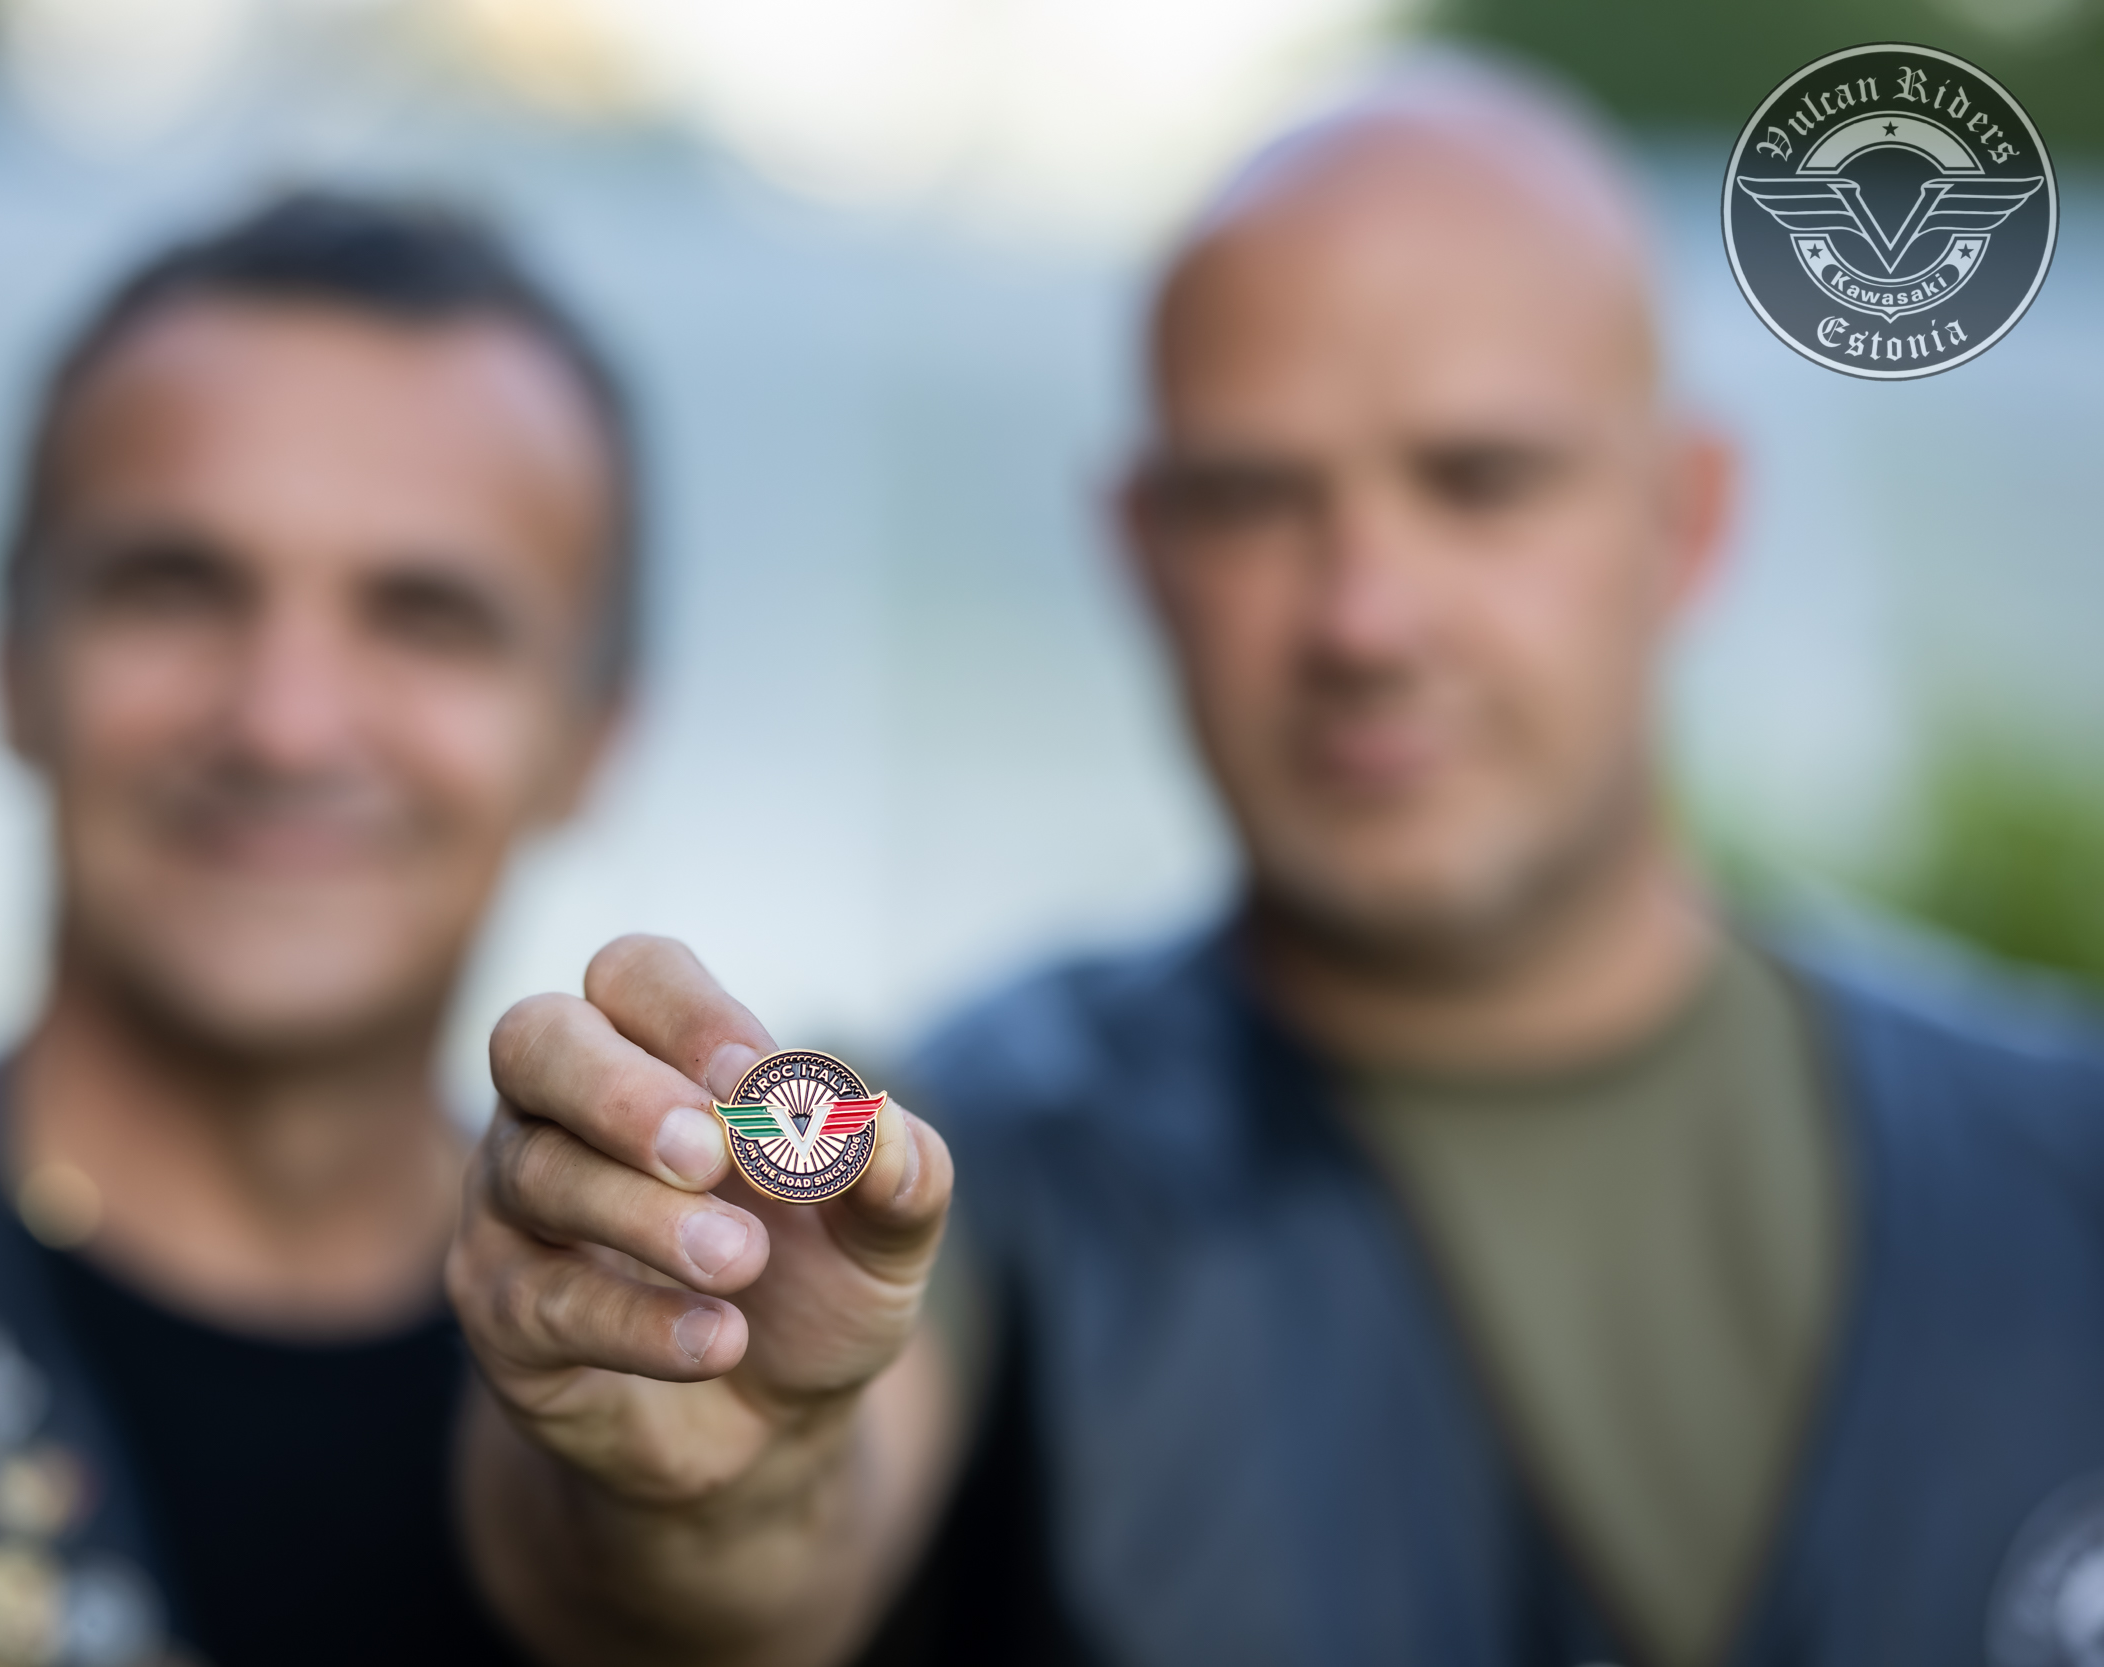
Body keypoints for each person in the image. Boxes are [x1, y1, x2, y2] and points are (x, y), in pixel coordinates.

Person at [448, 58, 2104, 1667]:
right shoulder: (987, 1158)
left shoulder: (2067, 1160)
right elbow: (730, 1559)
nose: (1364, 616)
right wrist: (710, 1485)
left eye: (1479, 481)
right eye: (1251, 498)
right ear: (1144, 554)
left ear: (1691, 516)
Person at [0, 193, 638, 1667]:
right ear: (9, 663)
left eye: (425, 615)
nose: (285, 724)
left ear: (594, 736)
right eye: (176, 588)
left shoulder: (702, 1432)